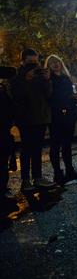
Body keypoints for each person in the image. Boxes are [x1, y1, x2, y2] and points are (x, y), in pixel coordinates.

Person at [11, 49, 57, 191]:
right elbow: (16, 96)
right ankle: (25, 181)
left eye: (35, 62)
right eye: (30, 62)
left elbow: (49, 94)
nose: (33, 65)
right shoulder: (17, 76)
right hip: (25, 119)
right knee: (26, 150)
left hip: (41, 117)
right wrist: (26, 80)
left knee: (37, 149)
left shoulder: (40, 75)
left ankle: (38, 177)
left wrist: (48, 80)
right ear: (23, 61)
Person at [45, 55, 77, 184]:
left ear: (61, 63)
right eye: (52, 63)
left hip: (69, 114)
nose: (55, 64)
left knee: (67, 144)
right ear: (48, 66)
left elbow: (73, 95)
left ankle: (69, 170)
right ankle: (57, 173)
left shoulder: (67, 78)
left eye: (58, 62)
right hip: (56, 116)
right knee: (55, 145)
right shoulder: (49, 80)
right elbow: (50, 97)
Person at [1, 66, 17, 201]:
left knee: (2, 161)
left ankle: (3, 188)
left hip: (3, 129)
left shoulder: (2, 88)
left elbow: (11, 71)